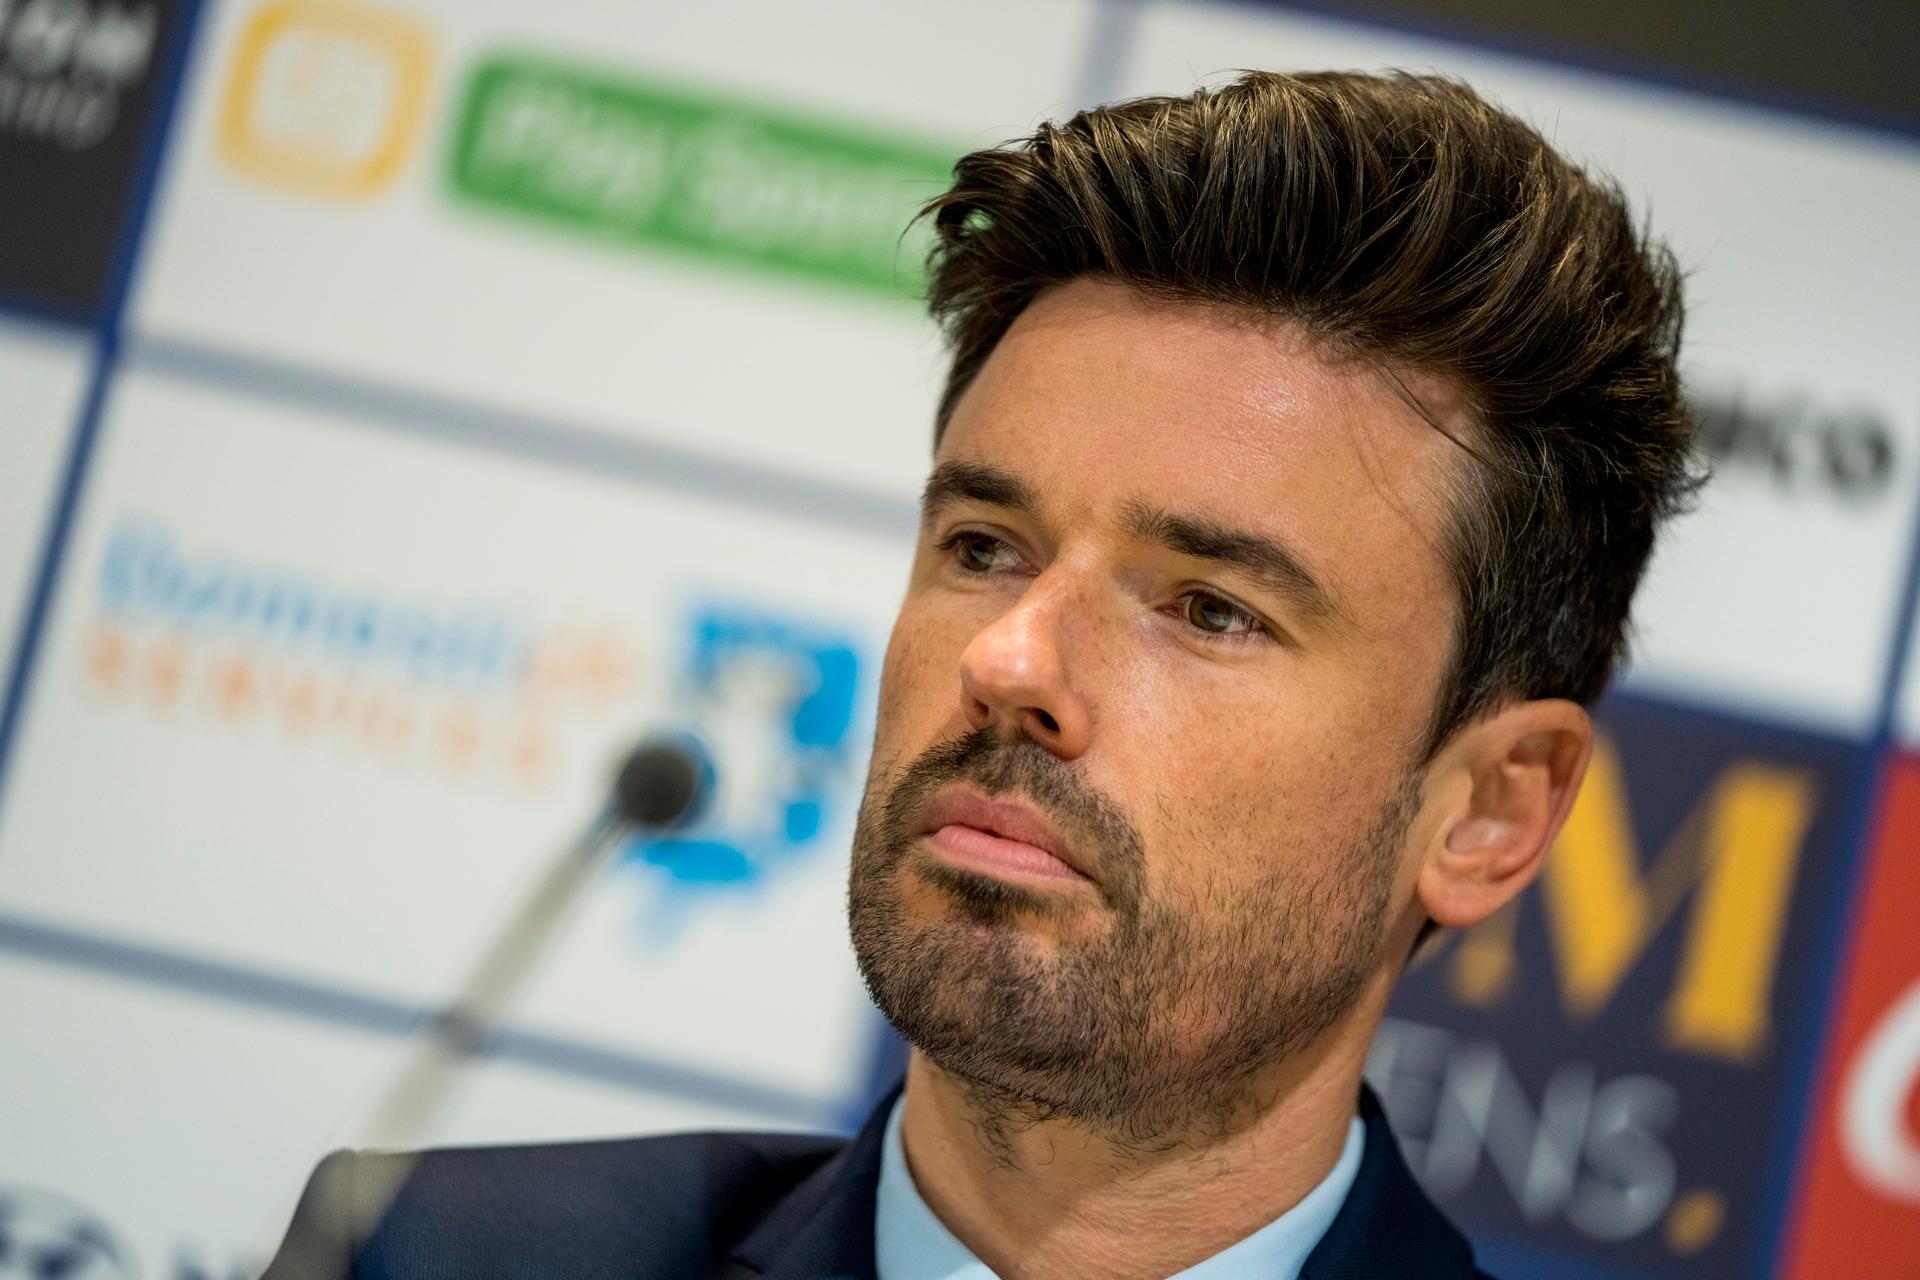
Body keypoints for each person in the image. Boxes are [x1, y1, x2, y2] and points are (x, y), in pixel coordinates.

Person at [262, 69, 1699, 1280]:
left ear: (1492, 811)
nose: (1011, 662)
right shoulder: (426, 1252)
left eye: (1207, 609)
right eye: (986, 546)